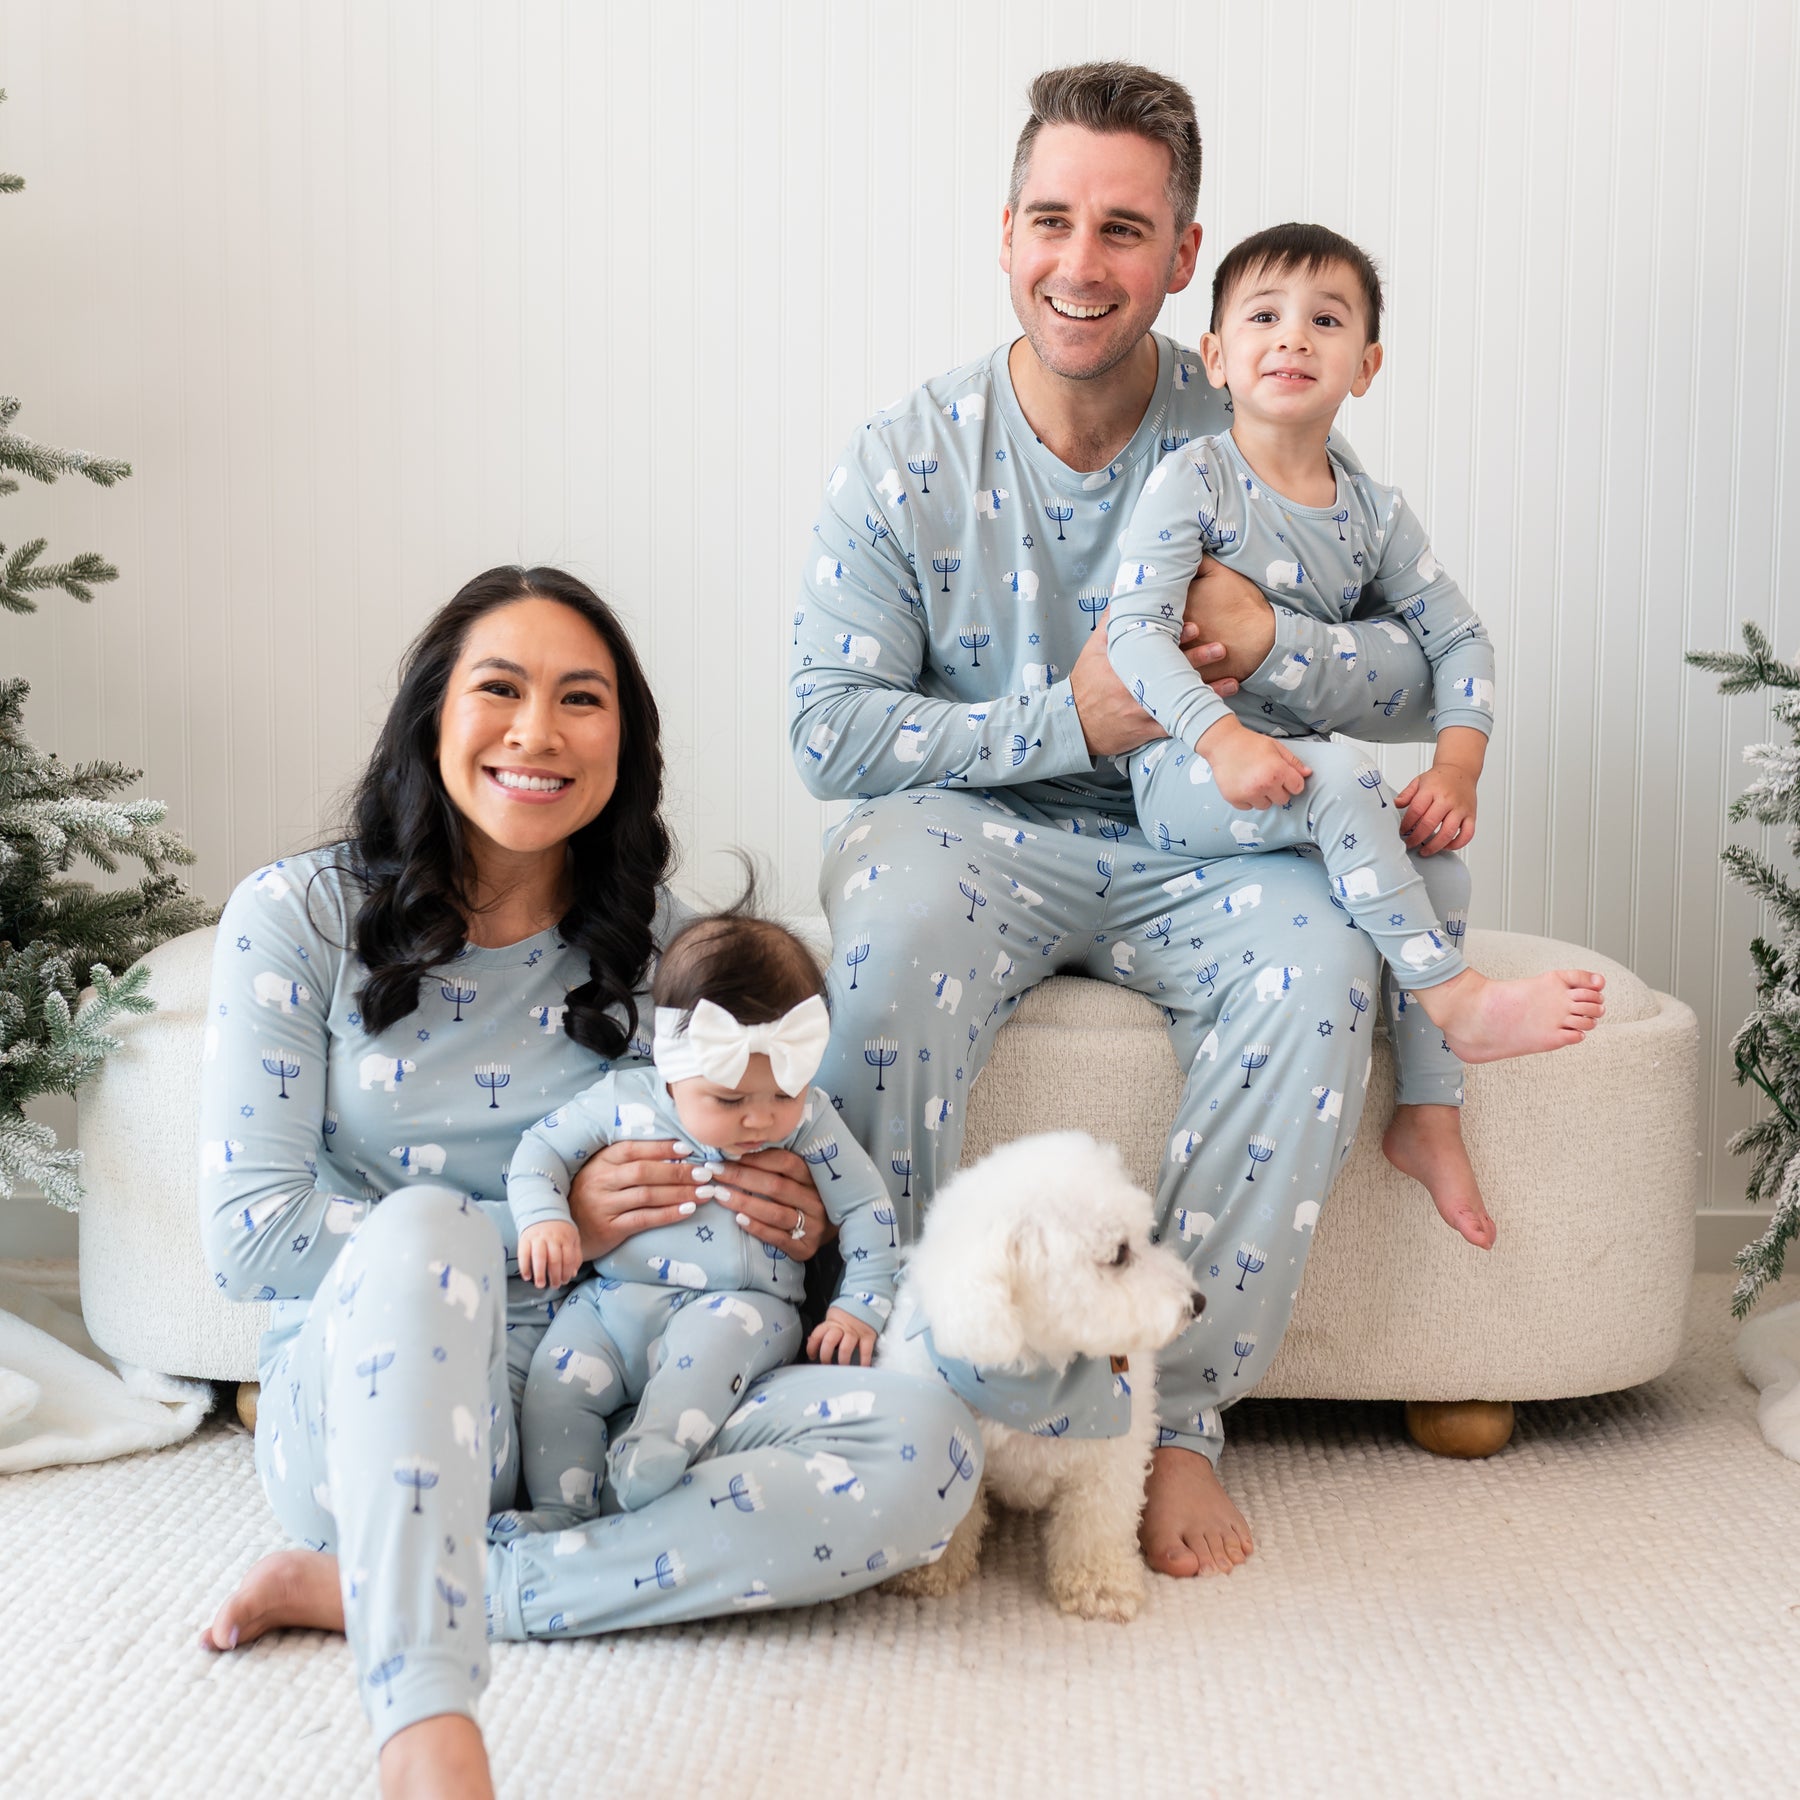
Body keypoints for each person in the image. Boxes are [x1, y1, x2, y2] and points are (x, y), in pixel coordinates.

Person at [790, 60, 1472, 1582]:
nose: (1079, 264)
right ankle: (899, 1382)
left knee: (1320, 963)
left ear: (1184, 257)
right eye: (1052, 221)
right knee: (889, 921)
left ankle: (1174, 1426)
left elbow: (1416, 665)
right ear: (1005, 234)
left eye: (1123, 229)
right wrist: (1068, 721)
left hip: (1210, 838)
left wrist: (1276, 645)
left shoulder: (1248, 415)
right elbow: (828, 731)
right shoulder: (908, 457)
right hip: (973, 830)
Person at [197, 566, 979, 1800]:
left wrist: (803, 1218)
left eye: (582, 699)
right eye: (499, 690)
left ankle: (418, 1587)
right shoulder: (293, 917)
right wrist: (535, 1227)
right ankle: (426, 1725)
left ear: (626, 742)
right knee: (425, 1230)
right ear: (431, 719)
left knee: (927, 1447)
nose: (537, 732)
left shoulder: (675, 958)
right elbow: (253, 1237)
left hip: (617, 1397)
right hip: (370, 1410)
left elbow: (766, 1139)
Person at [1106, 222, 1604, 1246]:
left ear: (1364, 366)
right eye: (1264, 317)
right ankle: (1458, 1000)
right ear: (1217, 355)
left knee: (1444, 874)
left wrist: (1456, 765)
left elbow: (1460, 638)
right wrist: (1217, 738)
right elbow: (1133, 639)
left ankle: (1428, 1114)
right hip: (1187, 774)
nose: (1293, 337)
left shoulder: (1374, 515)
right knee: (1340, 777)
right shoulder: (1194, 481)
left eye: (1325, 321)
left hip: (1298, 779)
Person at [508, 904, 897, 1525]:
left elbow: (869, 1211)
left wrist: (858, 1306)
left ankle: (654, 1450)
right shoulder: (621, 1102)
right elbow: (538, 1153)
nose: (760, 1118)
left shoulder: (812, 1122)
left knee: (705, 1356)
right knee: (554, 1389)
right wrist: (546, 1220)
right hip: (612, 1302)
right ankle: (562, 1512)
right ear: (670, 1068)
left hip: (743, 1305)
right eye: (729, 1098)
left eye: (782, 1095)